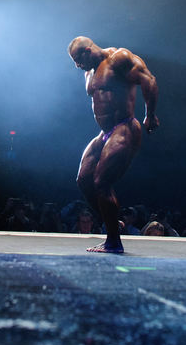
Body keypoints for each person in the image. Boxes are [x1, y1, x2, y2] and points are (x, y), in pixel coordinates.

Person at [68, 36, 159, 253]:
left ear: (88, 50)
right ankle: (112, 224)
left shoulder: (118, 58)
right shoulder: (89, 73)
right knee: (83, 180)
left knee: (101, 181)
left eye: (77, 60)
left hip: (125, 127)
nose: (77, 66)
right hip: (105, 132)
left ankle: (113, 242)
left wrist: (151, 115)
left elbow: (149, 80)